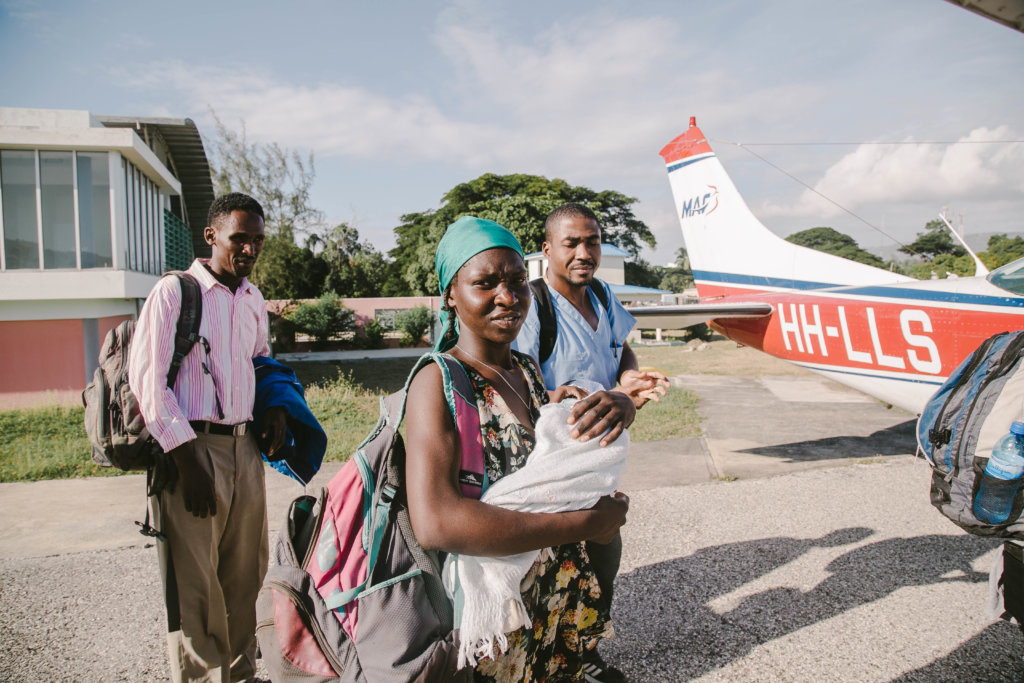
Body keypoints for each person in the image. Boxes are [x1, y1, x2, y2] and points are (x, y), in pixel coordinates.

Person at [404, 215, 632, 681]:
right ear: (450, 294)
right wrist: (588, 522)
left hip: (547, 601)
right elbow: (436, 521)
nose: (507, 297)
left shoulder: (525, 370)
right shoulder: (438, 383)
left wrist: (619, 402)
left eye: (515, 281)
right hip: (495, 618)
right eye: (484, 283)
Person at [129, 192, 286, 683]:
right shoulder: (176, 292)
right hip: (193, 451)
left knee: (245, 575)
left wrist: (275, 408)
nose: (250, 249)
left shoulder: (252, 299)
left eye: (258, 240)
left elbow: (261, 363)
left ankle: (241, 673)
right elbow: (146, 380)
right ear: (211, 235)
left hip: (245, 450)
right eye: (240, 238)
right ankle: (198, 677)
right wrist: (183, 455)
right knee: (196, 582)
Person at [513, 202, 670, 682]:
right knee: (549, 564)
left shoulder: (602, 295)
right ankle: (540, 659)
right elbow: (514, 378)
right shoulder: (534, 305)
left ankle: (586, 651)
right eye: (572, 243)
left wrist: (629, 381)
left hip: (601, 455)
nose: (584, 252)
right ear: (547, 250)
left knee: (603, 550)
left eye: (593, 241)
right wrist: (549, 395)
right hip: (552, 461)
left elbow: (621, 346)